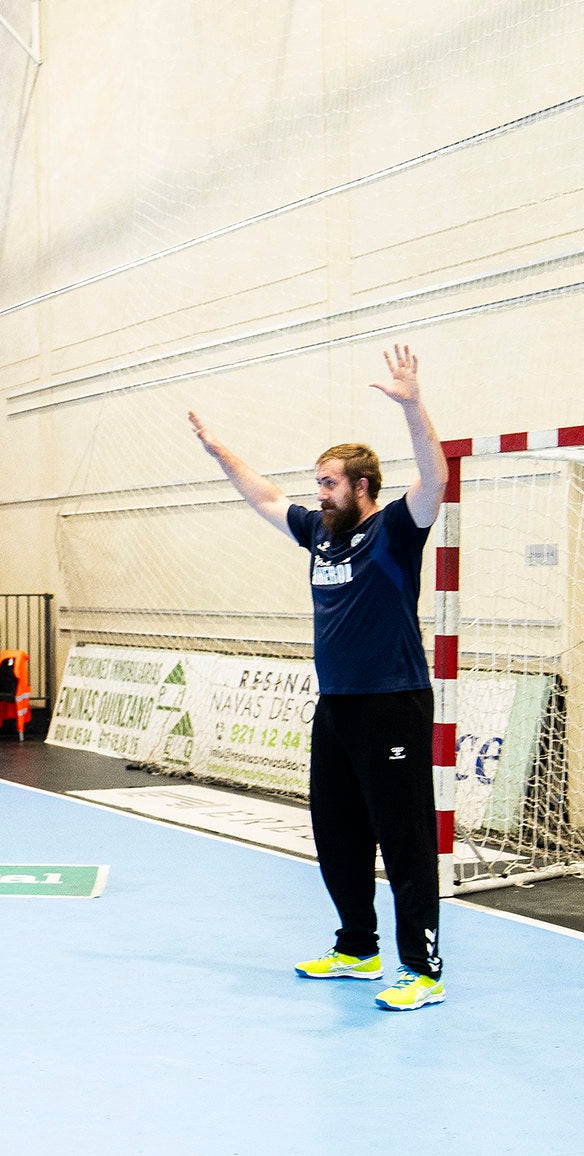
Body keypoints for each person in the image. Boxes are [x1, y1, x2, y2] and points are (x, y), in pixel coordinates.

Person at [188, 344, 448, 1012]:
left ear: (362, 488)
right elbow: (266, 497)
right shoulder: (321, 535)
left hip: (393, 703)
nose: (318, 493)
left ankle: (421, 968)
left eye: (329, 483)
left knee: (404, 839)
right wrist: (223, 455)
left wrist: (413, 406)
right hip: (336, 707)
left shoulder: (396, 530)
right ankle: (358, 949)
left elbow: (435, 479)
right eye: (318, 482)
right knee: (337, 833)